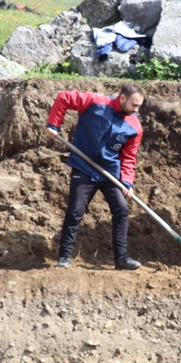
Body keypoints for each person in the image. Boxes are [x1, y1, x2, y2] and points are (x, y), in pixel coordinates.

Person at [46, 83, 144, 270]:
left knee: (121, 210)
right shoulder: (96, 102)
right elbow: (64, 97)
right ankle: (64, 257)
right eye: (134, 105)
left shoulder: (134, 127)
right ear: (122, 98)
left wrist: (127, 182)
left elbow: (128, 157)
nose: (136, 110)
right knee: (75, 211)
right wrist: (53, 125)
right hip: (84, 167)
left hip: (110, 173)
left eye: (139, 106)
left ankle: (121, 259)